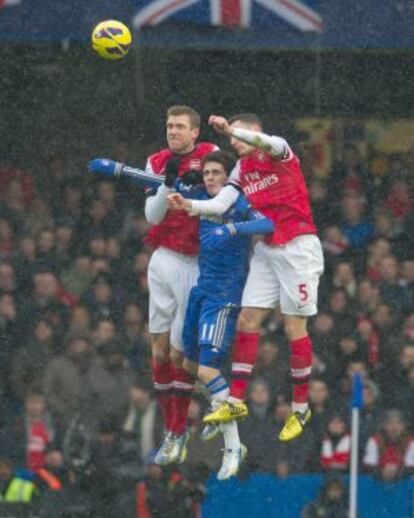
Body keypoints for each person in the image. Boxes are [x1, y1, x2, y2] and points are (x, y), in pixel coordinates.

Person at [169, 113, 324, 441]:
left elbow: (268, 142)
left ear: (255, 131)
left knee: (293, 327)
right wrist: (190, 207)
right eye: (231, 138)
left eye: (240, 136)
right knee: (248, 319)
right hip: (267, 249)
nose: (234, 142)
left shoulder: (280, 152)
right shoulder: (240, 170)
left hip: (298, 246)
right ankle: (236, 399)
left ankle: (300, 407)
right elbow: (222, 202)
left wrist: (233, 129)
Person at [88, 105, 218, 464]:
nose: (172, 131)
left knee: (181, 354)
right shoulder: (157, 160)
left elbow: (221, 198)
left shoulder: (210, 156)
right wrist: (168, 182)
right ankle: (173, 433)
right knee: (158, 350)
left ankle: (212, 403)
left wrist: (193, 192)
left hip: (195, 262)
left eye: (179, 126)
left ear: (195, 133)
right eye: (169, 125)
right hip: (161, 258)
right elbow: (152, 215)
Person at [169, 150, 274, 479]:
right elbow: (164, 185)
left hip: (225, 295)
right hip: (202, 290)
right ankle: (218, 403)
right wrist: (121, 171)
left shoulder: (237, 202)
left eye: (217, 173)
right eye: (207, 173)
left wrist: (232, 230)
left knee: (206, 370)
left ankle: (233, 446)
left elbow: (267, 222)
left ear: (229, 178)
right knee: (184, 363)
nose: (210, 178)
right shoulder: (201, 196)